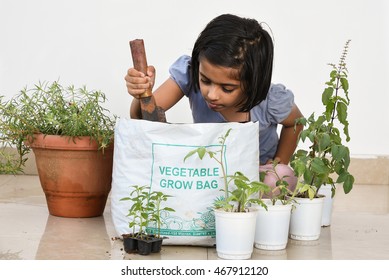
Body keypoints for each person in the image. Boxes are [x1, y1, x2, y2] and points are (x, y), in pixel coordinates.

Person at [125, 13, 303, 191]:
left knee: (279, 176)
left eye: (227, 88)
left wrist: (278, 161)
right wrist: (141, 93)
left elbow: (296, 123)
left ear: (253, 82)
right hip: (209, 173)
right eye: (205, 80)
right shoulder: (190, 75)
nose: (212, 94)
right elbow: (144, 118)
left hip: (255, 176)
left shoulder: (270, 100)